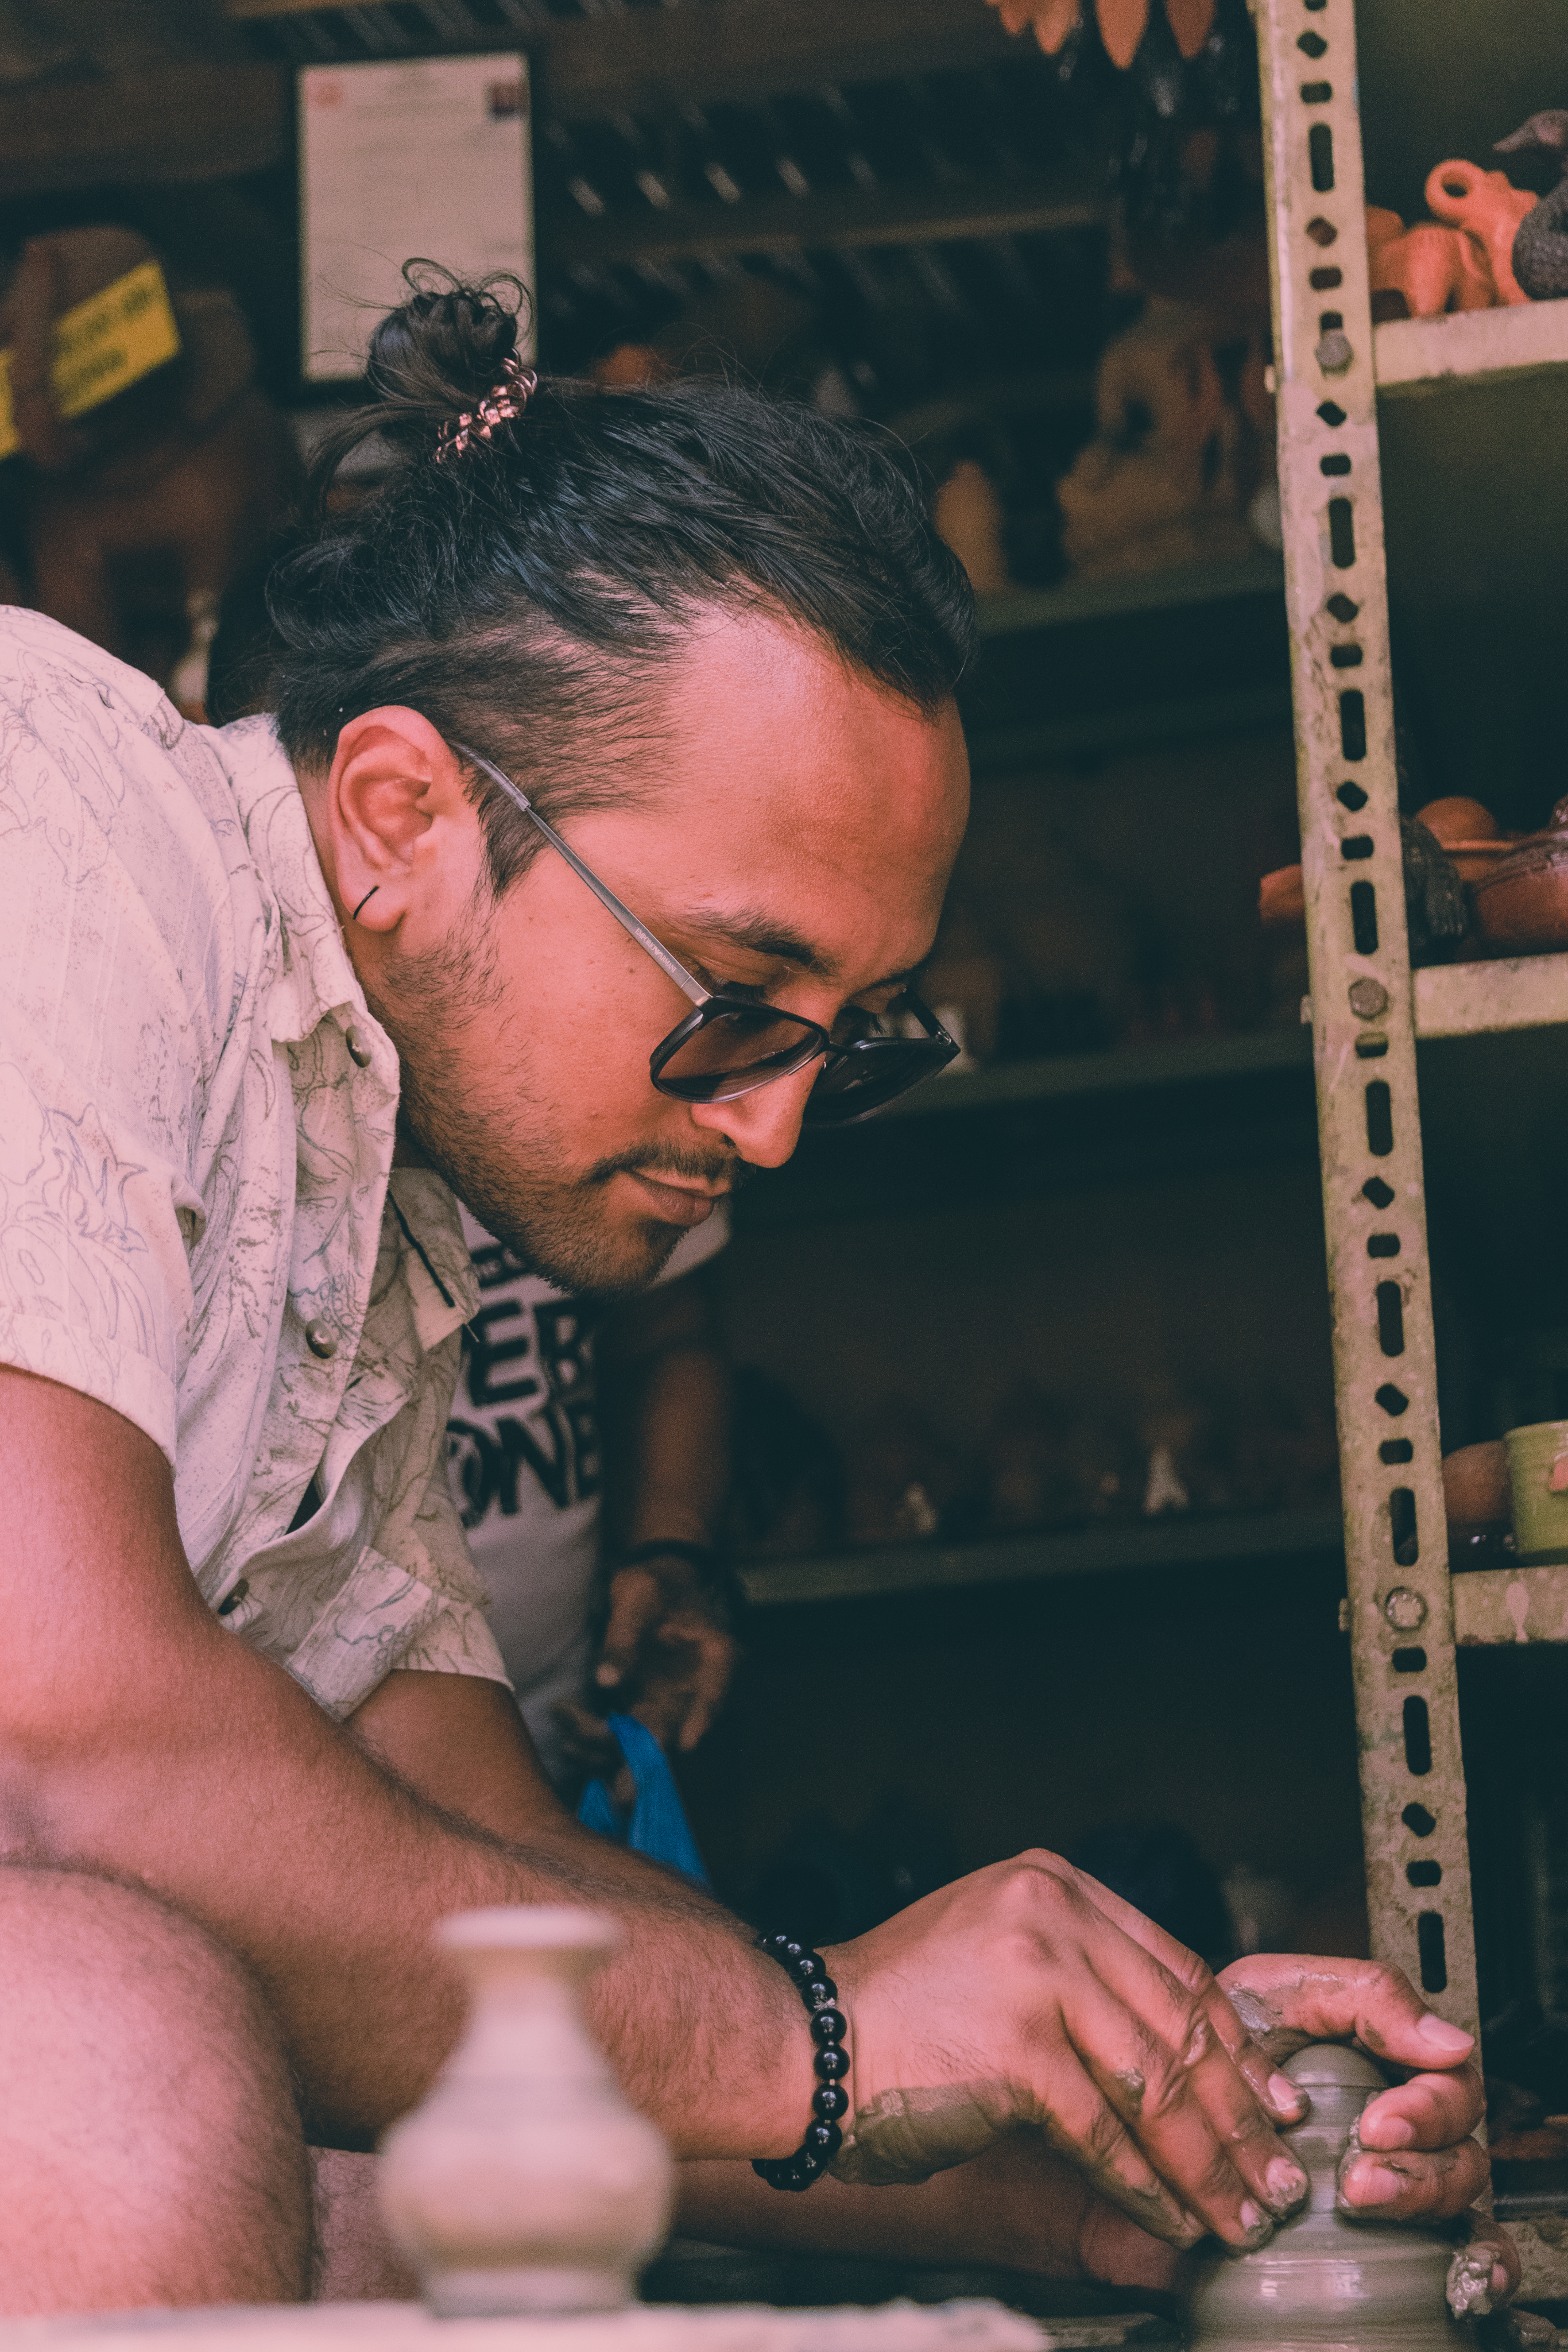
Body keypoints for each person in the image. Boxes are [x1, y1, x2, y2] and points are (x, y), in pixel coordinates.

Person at [0, 276, 1507, 2313]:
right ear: (401, 818)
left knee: (416, 2199)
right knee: (119, 2063)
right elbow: (73, 1746)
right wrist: (840, 2028)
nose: (779, 1129)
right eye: (735, 998)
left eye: (852, 1036)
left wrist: (1040, 2146)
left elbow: (473, 1901)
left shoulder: (368, 1197)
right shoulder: (67, 830)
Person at [448, 1198, 737, 1799]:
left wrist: (669, 1554)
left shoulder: (605, 1118)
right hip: (309, 1768)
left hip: (563, 1731)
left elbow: (665, 1333)